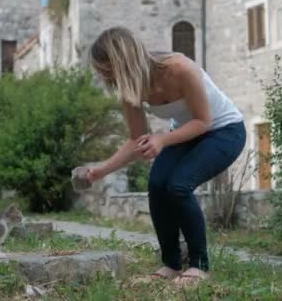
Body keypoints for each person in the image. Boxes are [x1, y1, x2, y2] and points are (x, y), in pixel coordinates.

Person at [85, 26, 246, 285]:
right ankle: (171, 263)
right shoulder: (130, 89)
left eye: (106, 69)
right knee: (157, 184)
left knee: (178, 185)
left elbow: (204, 121)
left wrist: (162, 140)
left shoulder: (180, 68)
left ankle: (199, 265)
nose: (104, 76)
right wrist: (101, 171)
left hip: (224, 131)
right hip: (185, 133)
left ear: (121, 59)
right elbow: (136, 141)